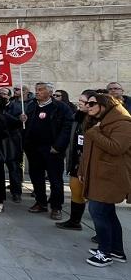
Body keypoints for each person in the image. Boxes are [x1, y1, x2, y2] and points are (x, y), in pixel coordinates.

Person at [79, 93, 131, 267]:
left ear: (105, 105)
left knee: (98, 213)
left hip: (110, 177)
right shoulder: (98, 122)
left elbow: (117, 148)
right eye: (87, 103)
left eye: (92, 103)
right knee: (108, 214)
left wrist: (95, 132)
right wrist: (81, 169)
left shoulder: (123, 123)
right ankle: (116, 250)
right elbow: (88, 150)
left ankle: (104, 252)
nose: (88, 106)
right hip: (97, 175)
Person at [22, 82, 73, 220]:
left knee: (55, 179)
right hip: (34, 149)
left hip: (52, 149)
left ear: (50, 93)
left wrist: (58, 146)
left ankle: (56, 207)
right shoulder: (31, 106)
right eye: (36, 90)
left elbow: (67, 127)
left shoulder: (61, 107)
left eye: (41, 90)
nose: (37, 92)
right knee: (36, 177)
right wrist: (23, 120)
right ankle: (41, 202)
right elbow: (26, 125)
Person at [56, 90, 96, 231]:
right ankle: (74, 221)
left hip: (89, 163)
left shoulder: (95, 121)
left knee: (95, 199)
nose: (80, 103)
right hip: (76, 160)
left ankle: (103, 233)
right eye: (79, 100)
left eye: (84, 101)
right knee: (75, 190)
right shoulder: (77, 117)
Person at [0, 87, 23, 203]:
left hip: (11, 141)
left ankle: (16, 192)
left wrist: (4, 114)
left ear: (9, 96)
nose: (2, 96)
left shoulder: (16, 107)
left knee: (13, 168)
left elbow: (17, 122)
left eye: (5, 94)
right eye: (1, 94)